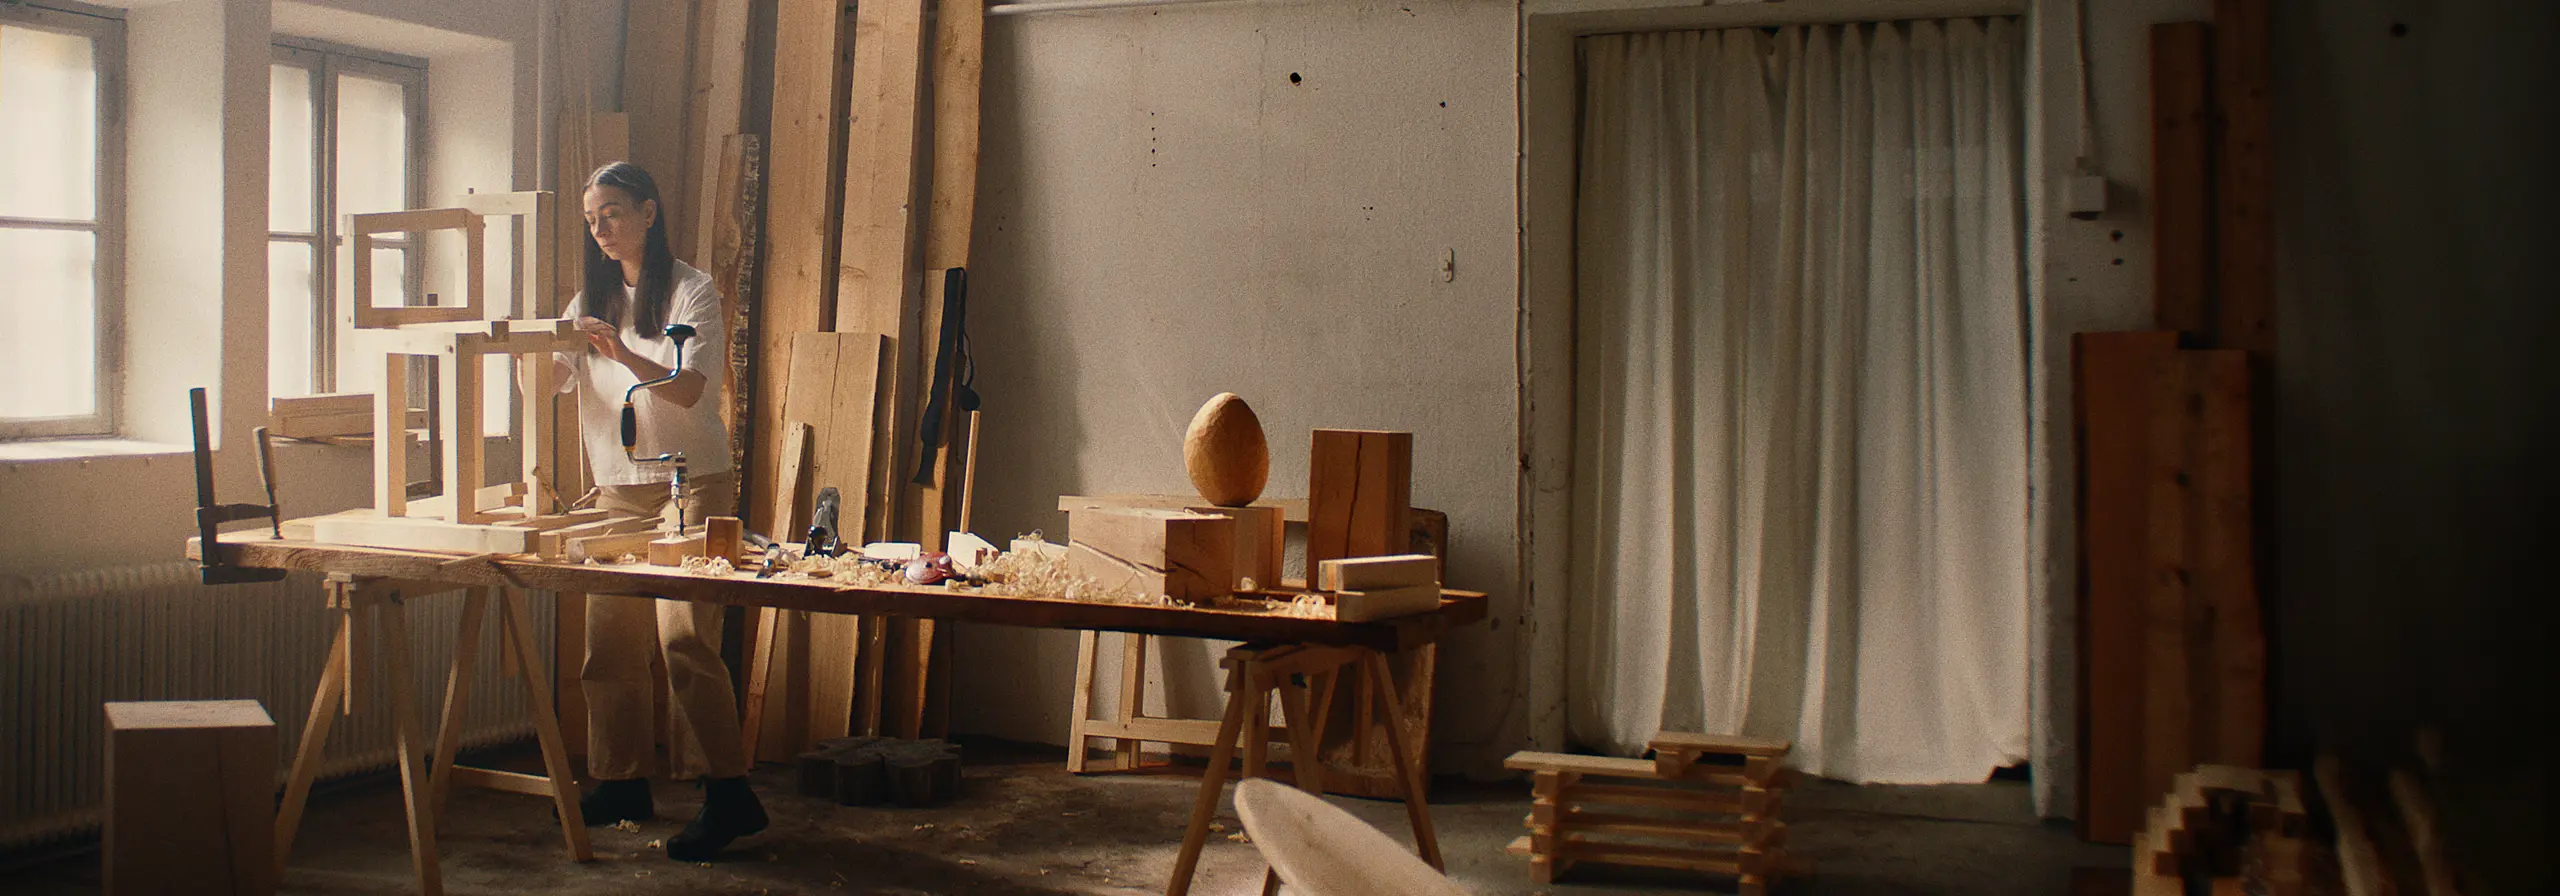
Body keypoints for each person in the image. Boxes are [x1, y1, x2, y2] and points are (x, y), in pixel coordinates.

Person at [560, 161, 765, 862]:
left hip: (691, 483)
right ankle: (620, 782)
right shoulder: (586, 300)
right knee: (609, 644)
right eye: (592, 219)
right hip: (618, 487)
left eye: (613, 212)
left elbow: (689, 389)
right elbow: (548, 380)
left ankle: (729, 792)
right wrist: (538, 349)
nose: (601, 228)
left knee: (685, 642)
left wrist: (619, 351)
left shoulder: (690, 289)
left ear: (649, 211)